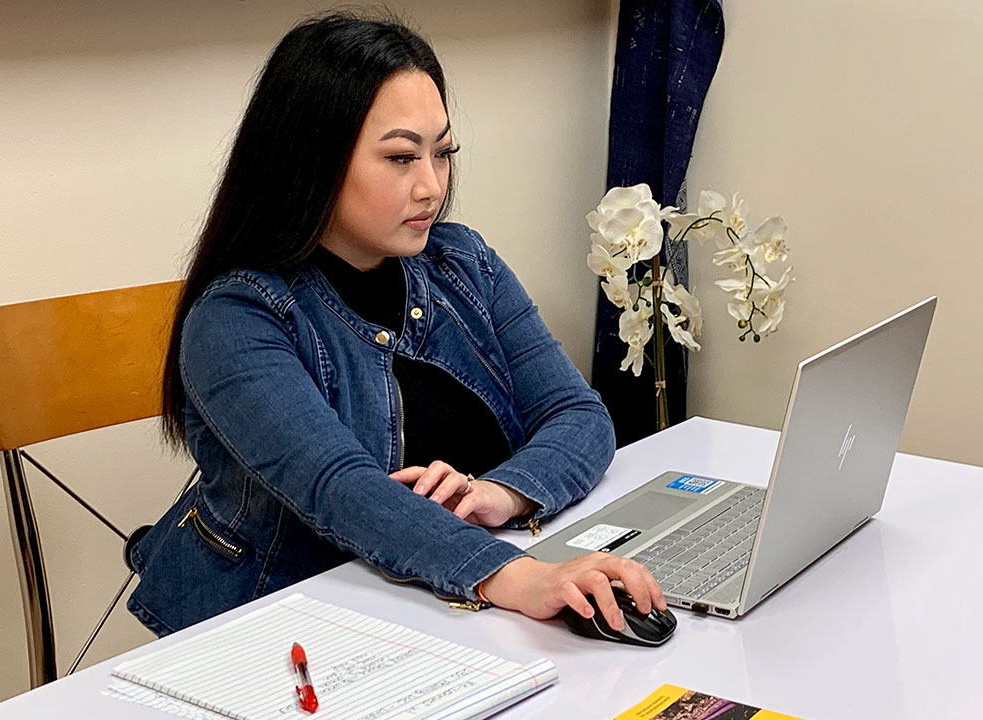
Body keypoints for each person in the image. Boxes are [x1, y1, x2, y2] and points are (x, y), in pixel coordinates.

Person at [126, 11, 665, 637]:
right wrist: (518, 577)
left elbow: (579, 415)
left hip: (440, 605)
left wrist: (501, 494)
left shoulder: (464, 261)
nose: (432, 187)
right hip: (287, 628)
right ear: (311, 159)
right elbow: (343, 490)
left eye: (443, 153)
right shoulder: (236, 319)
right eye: (401, 157)